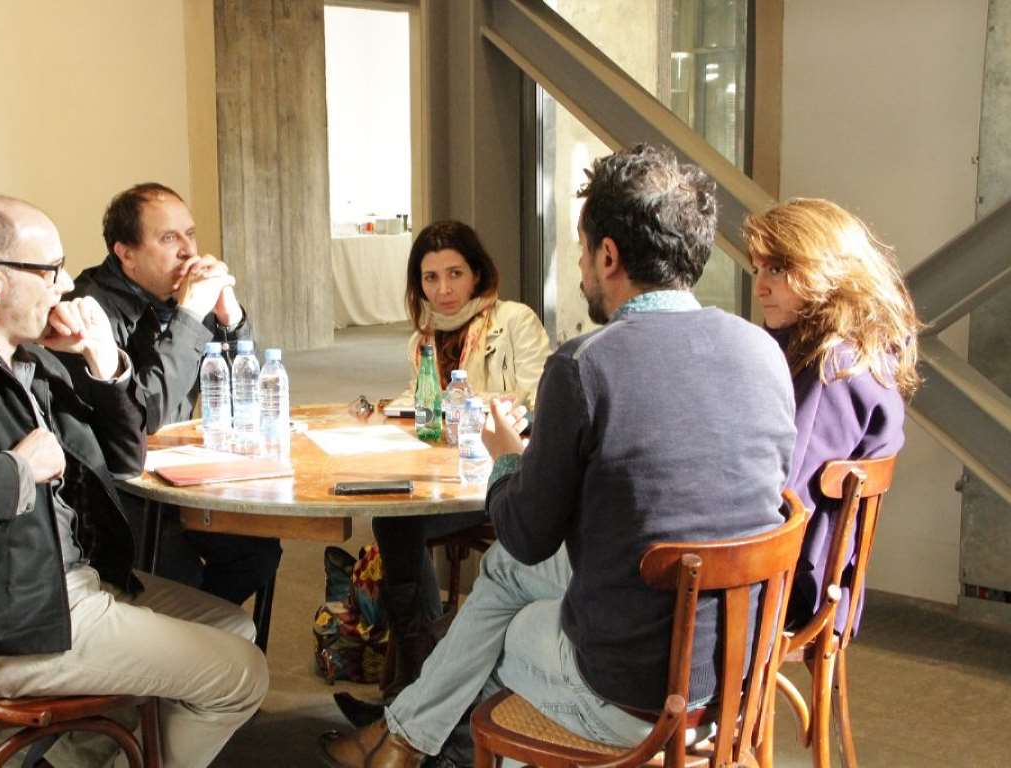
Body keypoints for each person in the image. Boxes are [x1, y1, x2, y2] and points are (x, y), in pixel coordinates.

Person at [319, 144, 797, 768]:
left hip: (626, 694)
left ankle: (412, 741)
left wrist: (507, 459)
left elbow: (526, 536)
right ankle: (403, 741)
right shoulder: (762, 351)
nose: (579, 265)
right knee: (505, 579)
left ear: (608, 255)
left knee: (504, 615)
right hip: (737, 675)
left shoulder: (586, 365)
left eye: (580, 249)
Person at [0, 195, 268, 767]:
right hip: (3, 625)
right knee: (243, 674)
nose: (68, 283)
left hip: (67, 584)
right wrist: (12, 472)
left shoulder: (34, 357)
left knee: (235, 625)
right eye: (51, 270)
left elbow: (125, 458)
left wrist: (102, 363)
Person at [336, 221, 551, 725]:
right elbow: (422, 404)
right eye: (430, 278)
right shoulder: (424, 338)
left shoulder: (513, 321)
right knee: (393, 518)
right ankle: (421, 686)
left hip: (501, 478)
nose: (444, 289)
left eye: (455, 273)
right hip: (447, 479)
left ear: (477, 274)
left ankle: (416, 694)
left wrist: (483, 409)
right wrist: (387, 412)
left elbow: (540, 397)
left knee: (398, 525)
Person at [66, 182, 281, 606]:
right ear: (125, 253)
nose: (188, 251)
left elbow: (246, 396)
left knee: (257, 552)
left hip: (179, 471)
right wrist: (190, 314)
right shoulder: (90, 309)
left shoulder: (181, 298)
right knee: (181, 581)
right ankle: (192, 632)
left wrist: (231, 319)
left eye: (190, 234)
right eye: (168, 238)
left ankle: (209, 633)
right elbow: (146, 415)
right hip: (117, 493)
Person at [744, 197, 920, 634]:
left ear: (827, 267)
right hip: (820, 583)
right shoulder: (862, 352)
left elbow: (784, 498)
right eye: (757, 269)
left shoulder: (832, 369)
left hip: (789, 589)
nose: (760, 287)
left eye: (777, 269)